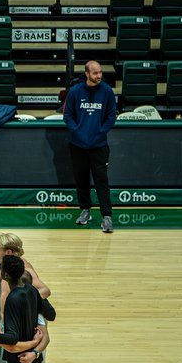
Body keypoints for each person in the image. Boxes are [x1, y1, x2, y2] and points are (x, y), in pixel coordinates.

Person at [64, 60, 118, 233]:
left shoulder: (107, 91)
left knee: (101, 181)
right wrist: (77, 131)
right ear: (87, 74)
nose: (99, 76)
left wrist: (100, 131)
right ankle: (85, 211)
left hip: (99, 145)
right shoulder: (75, 92)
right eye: (95, 73)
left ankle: (107, 217)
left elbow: (111, 115)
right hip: (78, 145)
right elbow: (68, 115)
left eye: (100, 72)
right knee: (81, 180)